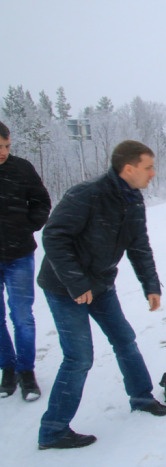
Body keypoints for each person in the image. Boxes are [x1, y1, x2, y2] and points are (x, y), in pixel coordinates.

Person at [37, 140, 166, 450]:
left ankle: (141, 398)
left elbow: (139, 246)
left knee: (124, 339)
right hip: (64, 288)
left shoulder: (134, 200)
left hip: (100, 285)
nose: (153, 173)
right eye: (148, 167)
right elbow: (54, 237)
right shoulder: (87, 195)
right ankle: (53, 430)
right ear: (129, 169)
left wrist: (151, 285)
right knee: (79, 357)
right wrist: (76, 283)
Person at [0, 121, 51, 401]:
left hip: (19, 254)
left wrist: (27, 225)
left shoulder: (21, 169)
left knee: (22, 316)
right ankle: (7, 369)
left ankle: (26, 371)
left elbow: (42, 201)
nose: (3, 152)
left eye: (6, 146)